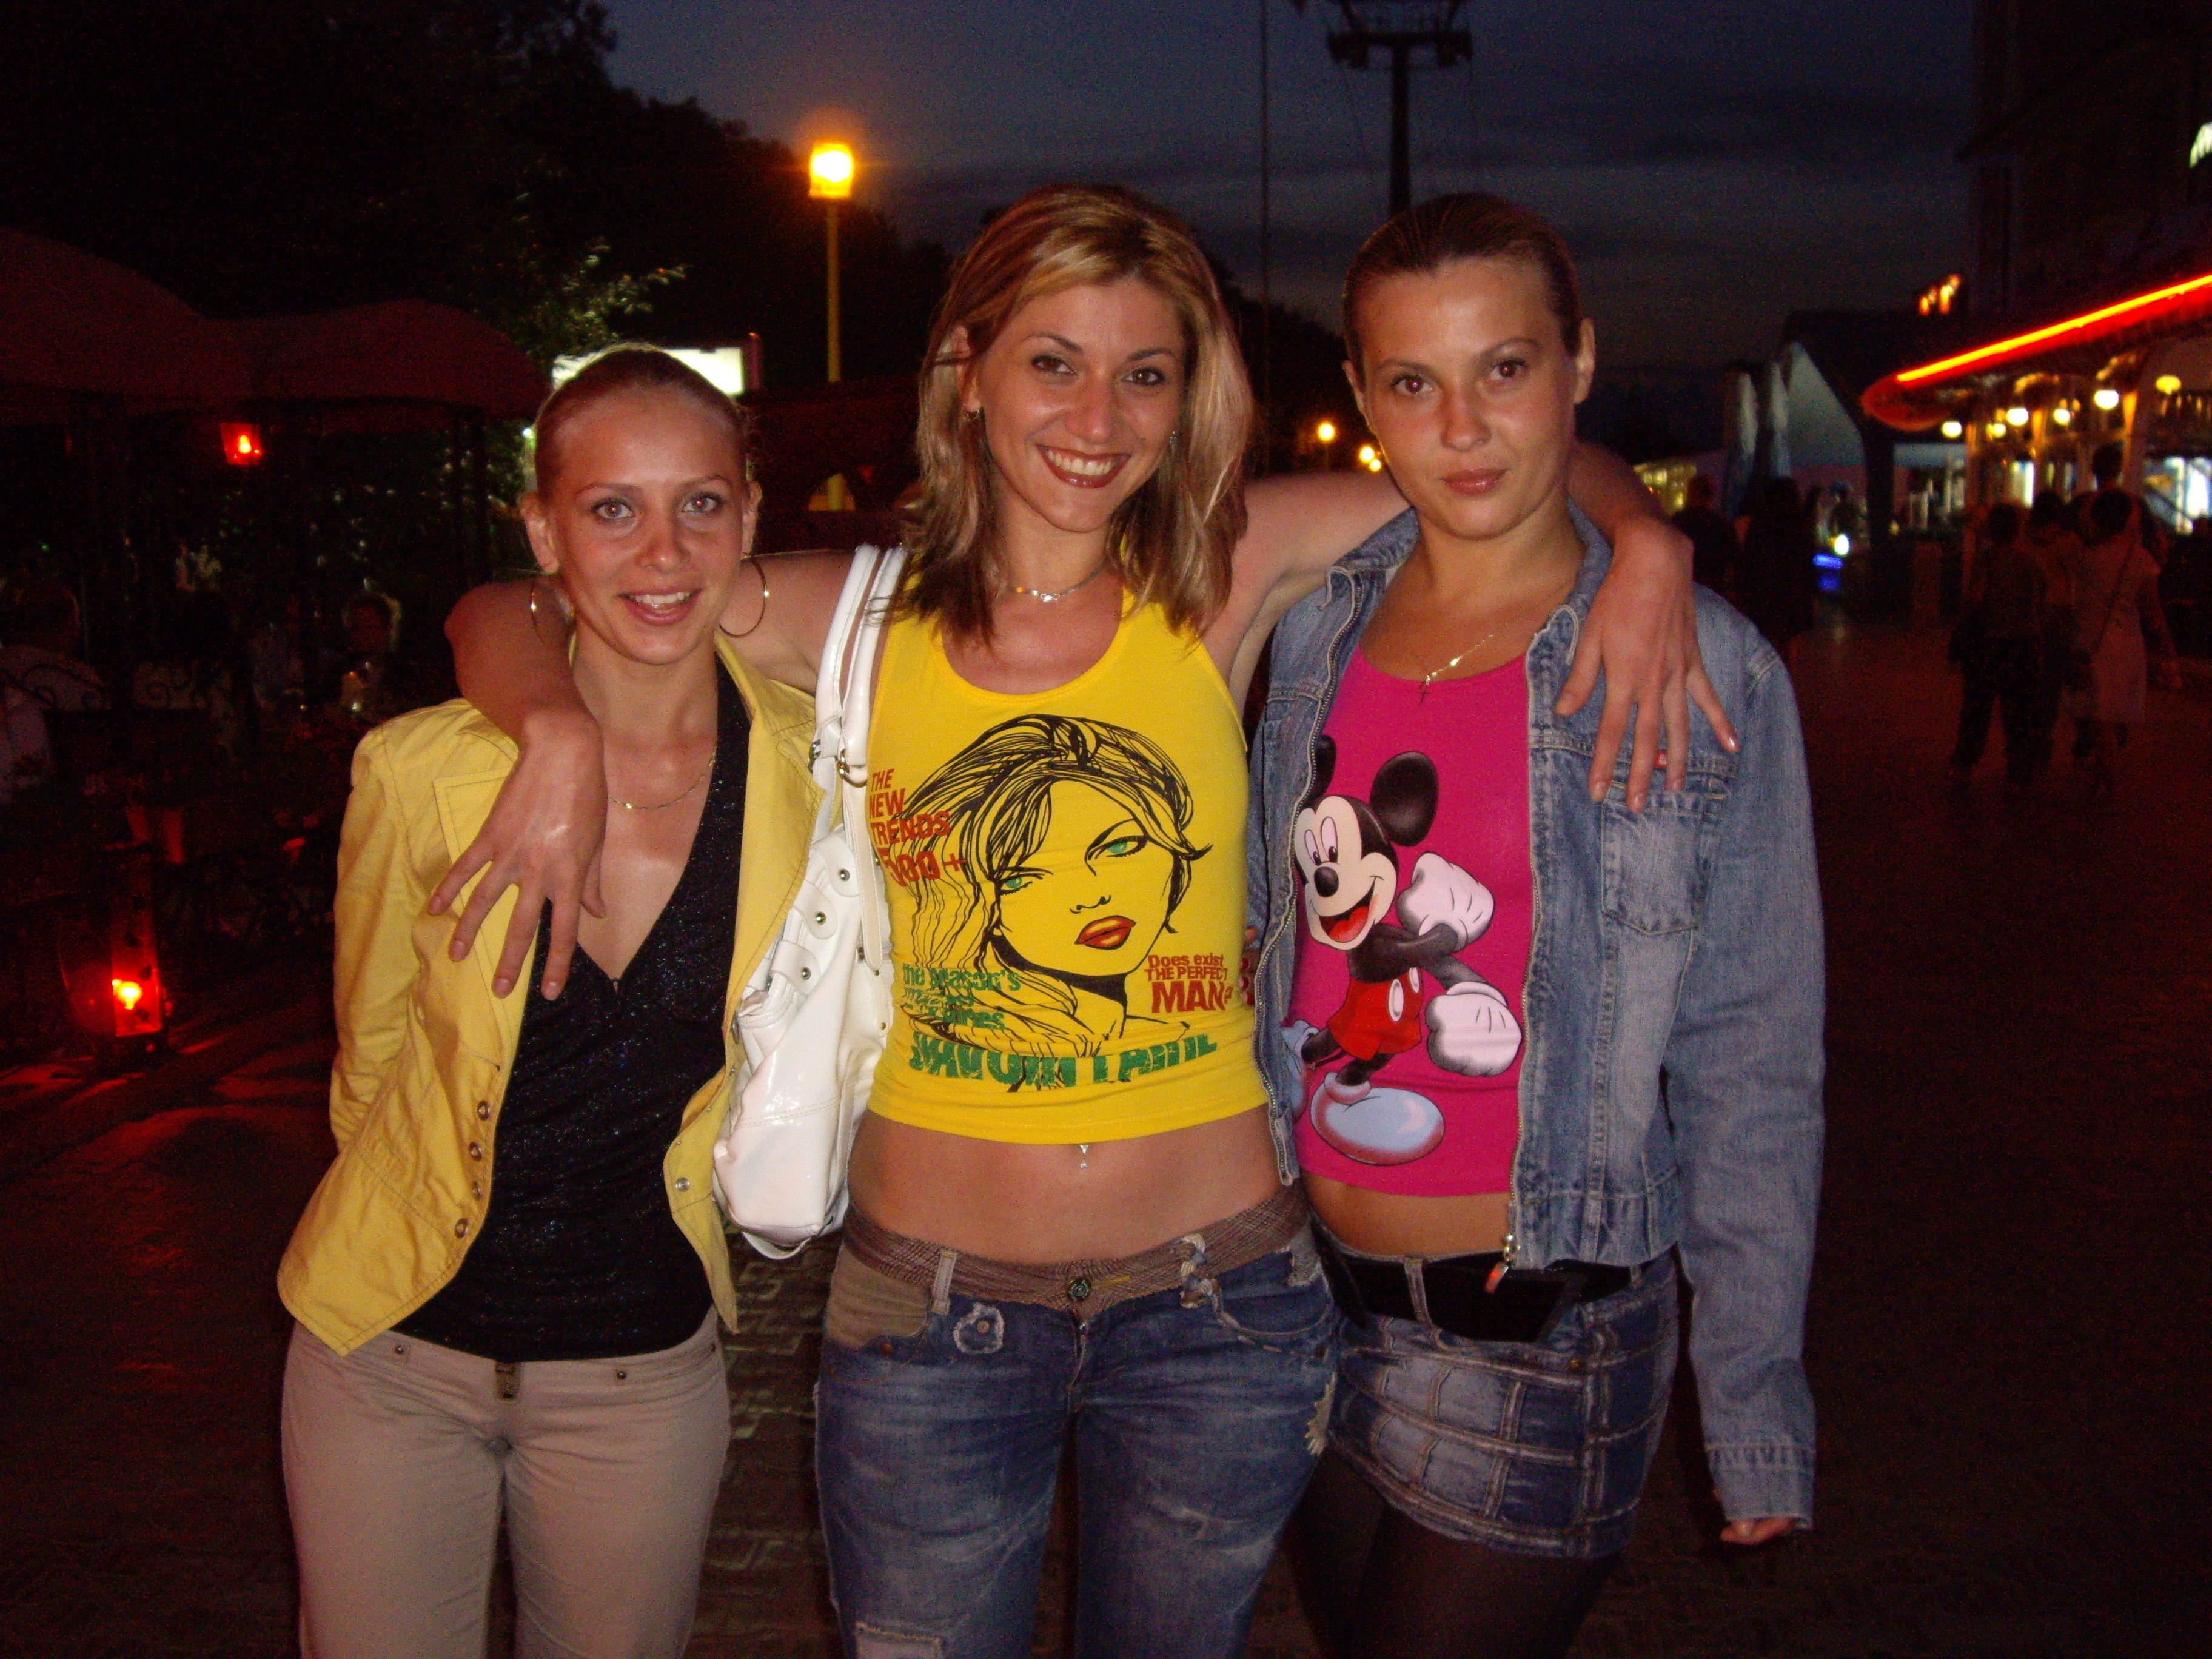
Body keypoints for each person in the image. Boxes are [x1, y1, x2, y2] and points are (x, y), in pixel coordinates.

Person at [434, 186, 1729, 1659]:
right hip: (929, 1317)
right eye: (1053, 362)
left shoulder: (1219, 571)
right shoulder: (847, 612)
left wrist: (1646, 541)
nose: (1098, 419)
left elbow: (1504, 463)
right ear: (967, 372)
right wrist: (549, 725)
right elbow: (520, 602)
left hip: (1216, 1309)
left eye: (1146, 373)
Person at [1248, 194, 1822, 1659]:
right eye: (1414, 382)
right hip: (1304, 1308)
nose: (1464, 428)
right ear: (1363, 396)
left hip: (1540, 1330)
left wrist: (1751, 1400)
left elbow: (1754, 1052)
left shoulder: (1703, 667)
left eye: (1504, 368)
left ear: (1578, 361)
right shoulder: (1312, 634)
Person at [275, 347, 819, 1658]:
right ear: (543, 530)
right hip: (387, 1359)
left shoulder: (821, 777)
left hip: (639, 1374)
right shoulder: (419, 770)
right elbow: (372, 1055)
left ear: (749, 515)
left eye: (700, 503)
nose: (662, 551)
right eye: (611, 507)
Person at [2066, 486, 2180, 793]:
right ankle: (2108, 772)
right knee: (2118, 712)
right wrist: (2167, 646)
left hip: (2088, 640)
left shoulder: (2083, 557)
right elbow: (2152, 609)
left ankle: (2106, 772)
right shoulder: (2139, 558)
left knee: (2097, 711)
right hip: (2127, 643)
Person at [1949, 503, 2048, 786]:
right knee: (2019, 711)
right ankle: (2019, 767)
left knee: (1977, 708)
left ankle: (1965, 763)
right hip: (2023, 643)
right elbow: (2040, 604)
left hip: (1988, 643)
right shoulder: (2031, 562)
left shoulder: (1987, 560)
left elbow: (1975, 600)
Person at [1735, 475, 1818, 660]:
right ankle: (1786, 674)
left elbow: (1749, 562)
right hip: (1792, 593)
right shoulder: (1798, 527)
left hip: (1764, 593)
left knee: (1765, 642)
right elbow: (1807, 565)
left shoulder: (1759, 526)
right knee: (1788, 642)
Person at [0, 578, 107, 713]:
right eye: (77, 620)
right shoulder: (76, 681)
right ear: (67, 625)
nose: (78, 629)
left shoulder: (7, 667)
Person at [1670, 472, 1737, 592]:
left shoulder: (1677, 522)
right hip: (1713, 586)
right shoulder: (1722, 524)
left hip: (1684, 584)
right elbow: (1732, 559)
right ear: (1711, 496)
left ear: (1690, 493)